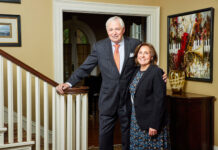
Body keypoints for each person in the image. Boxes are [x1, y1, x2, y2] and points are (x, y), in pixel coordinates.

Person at [56, 16, 167, 150]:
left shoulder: (135, 44)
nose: (114, 32)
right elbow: (85, 67)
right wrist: (69, 83)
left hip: (128, 100)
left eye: (117, 29)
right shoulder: (99, 47)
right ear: (107, 31)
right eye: (111, 29)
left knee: (128, 135)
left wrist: (160, 73)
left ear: (123, 30)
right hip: (108, 99)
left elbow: (144, 63)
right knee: (105, 136)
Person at [127, 43, 170, 149]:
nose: (142, 55)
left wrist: (154, 124)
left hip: (151, 121)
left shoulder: (156, 72)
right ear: (137, 56)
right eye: (140, 53)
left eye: (146, 53)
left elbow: (159, 101)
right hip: (136, 119)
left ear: (151, 57)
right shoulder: (136, 71)